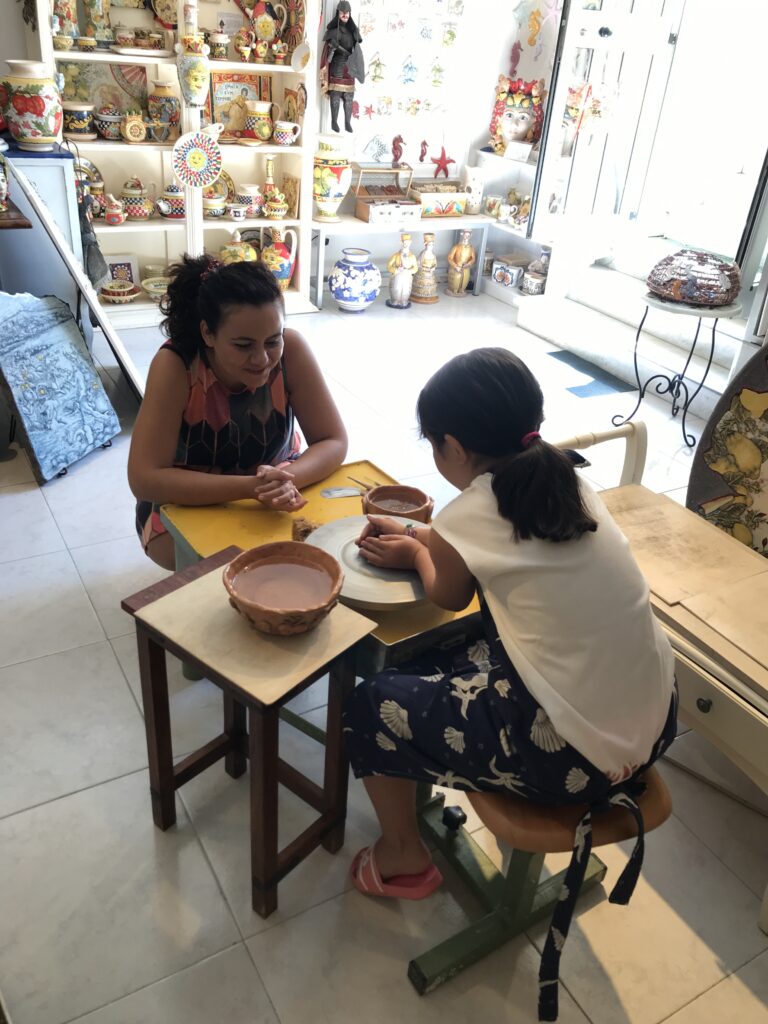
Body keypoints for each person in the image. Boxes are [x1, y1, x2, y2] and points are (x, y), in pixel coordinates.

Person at [343, 348, 677, 1021]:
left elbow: (445, 593)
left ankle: (404, 858)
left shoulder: (471, 512)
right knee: (441, 658)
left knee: (372, 702)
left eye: (434, 445)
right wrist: (426, 536)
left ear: (455, 448)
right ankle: (430, 790)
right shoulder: (566, 479)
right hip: (652, 720)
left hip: (568, 755)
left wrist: (416, 548)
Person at [128, 256, 347, 570]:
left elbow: (333, 440)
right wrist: (252, 488)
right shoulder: (176, 365)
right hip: (184, 499)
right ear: (208, 334)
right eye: (243, 345)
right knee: (235, 573)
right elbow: (145, 479)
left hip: (279, 484)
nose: (262, 359)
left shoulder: (293, 350)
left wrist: (283, 482)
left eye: (273, 340)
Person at [320, 1, 365, 133]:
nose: (345, 14)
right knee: (336, 93)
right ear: (338, 13)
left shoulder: (353, 31)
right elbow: (328, 50)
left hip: (351, 65)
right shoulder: (333, 32)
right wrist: (332, 46)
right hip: (338, 64)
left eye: (347, 13)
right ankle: (334, 121)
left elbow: (357, 48)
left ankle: (347, 122)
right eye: (342, 12)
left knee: (349, 96)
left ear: (350, 14)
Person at [445, 229, 476, 296]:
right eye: (465, 235)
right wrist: (455, 266)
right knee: (456, 279)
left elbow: (473, 258)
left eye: (468, 235)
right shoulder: (457, 247)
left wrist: (468, 264)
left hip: (466, 267)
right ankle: (454, 290)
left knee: (465, 279)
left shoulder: (471, 248)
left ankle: (462, 289)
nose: (466, 237)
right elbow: (449, 257)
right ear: (462, 234)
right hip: (457, 267)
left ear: (471, 236)